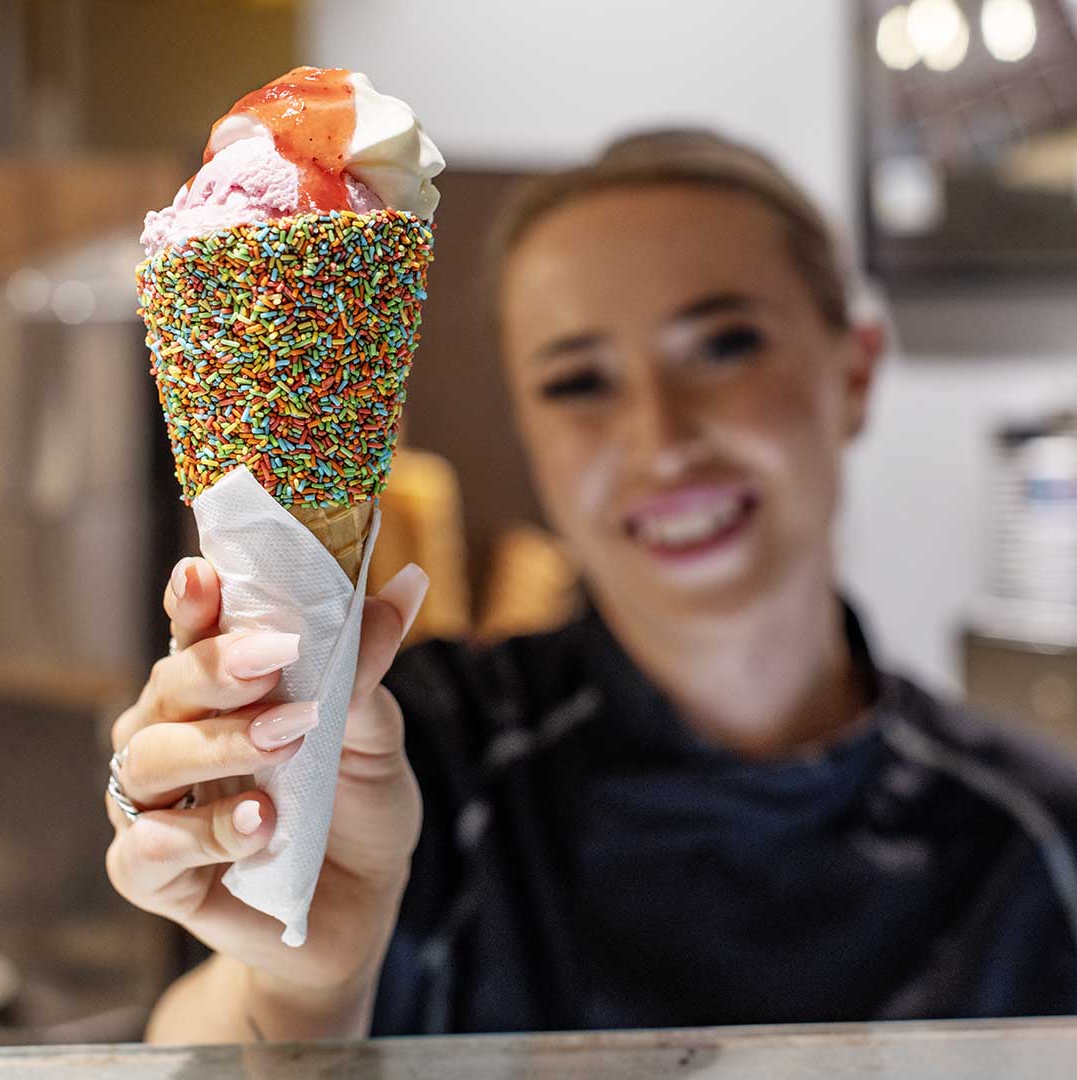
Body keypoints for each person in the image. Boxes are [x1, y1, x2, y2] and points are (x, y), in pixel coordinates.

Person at [105, 130, 1077, 1044]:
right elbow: (203, 1037)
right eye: (578, 382)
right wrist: (297, 987)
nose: (660, 440)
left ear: (855, 372)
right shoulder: (399, 755)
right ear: (527, 430)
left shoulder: (1037, 842)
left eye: (725, 345)